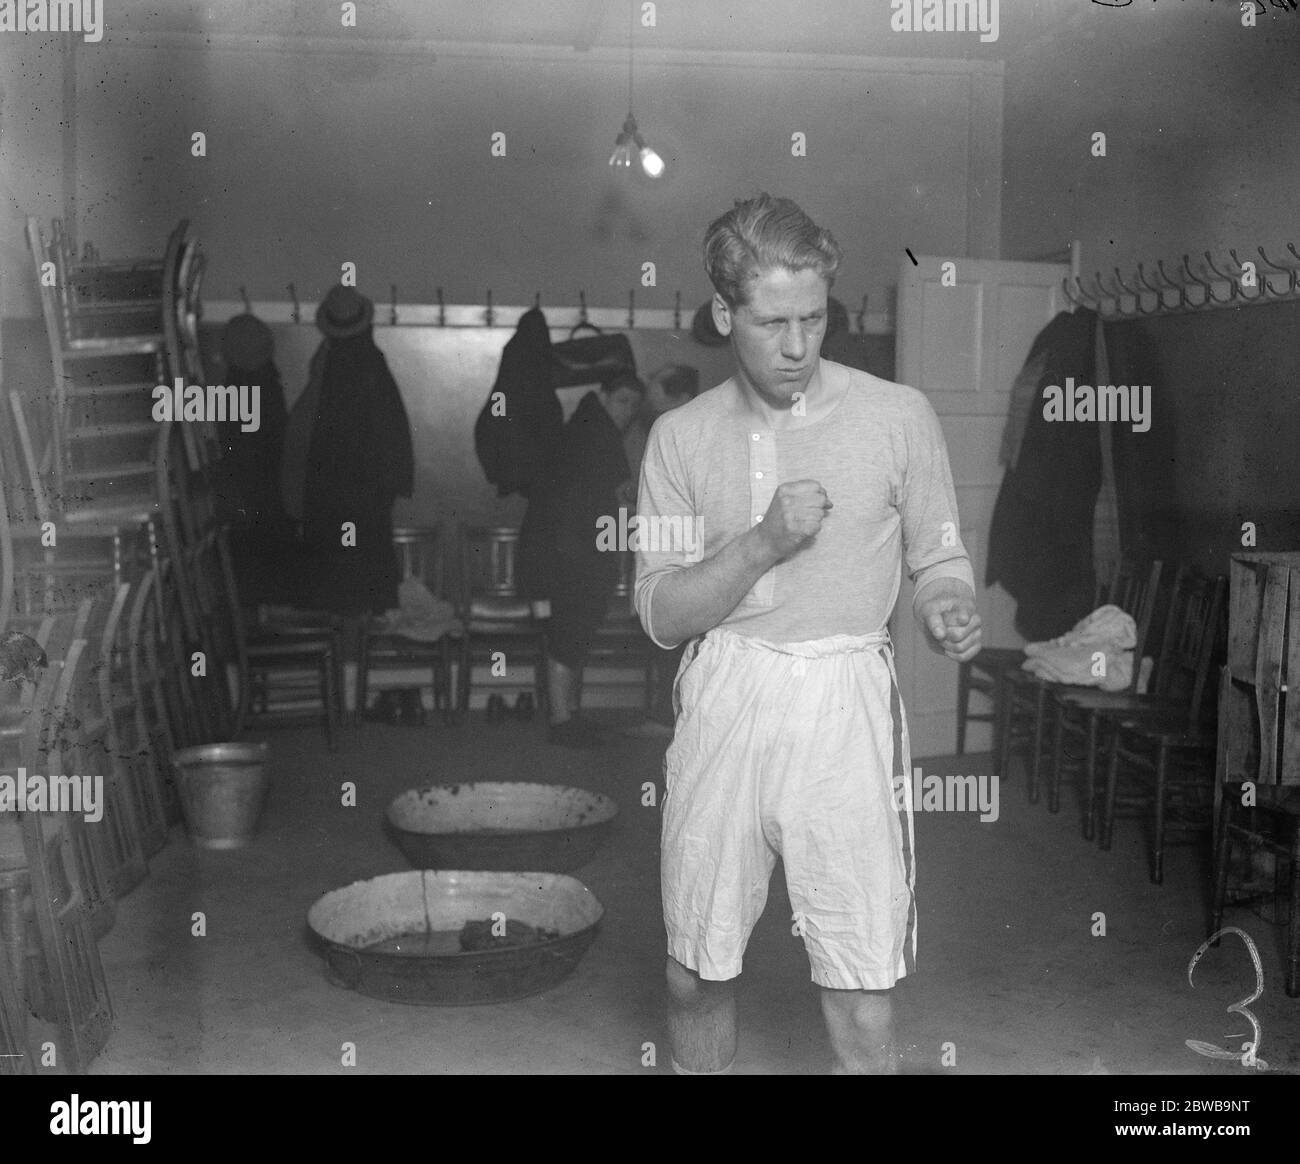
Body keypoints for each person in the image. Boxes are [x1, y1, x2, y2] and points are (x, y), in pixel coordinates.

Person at [634, 193, 983, 1075]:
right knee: (693, 971)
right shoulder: (679, 439)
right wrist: (761, 544)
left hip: (844, 699)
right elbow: (662, 615)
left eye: (815, 318)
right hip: (728, 693)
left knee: (863, 984)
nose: (798, 347)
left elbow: (939, 553)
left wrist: (946, 599)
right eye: (772, 322)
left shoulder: (899, 415)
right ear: (723, 314)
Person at [280, 284, 415, 719]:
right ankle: (353, 700)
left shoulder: (323, 366)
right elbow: (394, 440)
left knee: (337, 608)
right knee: (357, 607)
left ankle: (340, 700)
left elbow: (301, 442)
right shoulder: (372, 365)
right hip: (364, 511)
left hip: (327, 508)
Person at [521, 371, 645, 747]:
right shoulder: (598, 434)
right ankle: (562, 720)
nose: (627, 413)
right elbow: (612, 495)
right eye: (622, 401)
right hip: (572, 552)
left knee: (570, 633)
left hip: (565, 549)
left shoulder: (586, 427)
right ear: (603, 396)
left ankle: (568, 716)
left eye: (633, 407)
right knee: (568, 634)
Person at [620, 364, 700, 739]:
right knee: (661, 628)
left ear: (681, 398)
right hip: (661, 543)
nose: (648, 406)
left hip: (686, 549)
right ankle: (666, 714)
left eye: (658, 396)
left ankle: (668, 717)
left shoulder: (693, 432)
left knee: (674, 629)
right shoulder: (662, 430)